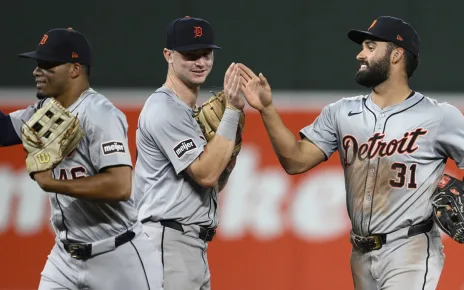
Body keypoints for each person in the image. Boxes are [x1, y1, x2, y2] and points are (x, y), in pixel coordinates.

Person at [238, 16, 462, 289]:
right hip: (360, 252)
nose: (360, 54)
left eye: (370, 46)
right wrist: (267, 110)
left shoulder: (438, 116)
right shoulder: (341, 112)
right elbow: (295, 161)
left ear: (397, 54)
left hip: (410, 248)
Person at [1, 27, 163, 290]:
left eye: (47, 64)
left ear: (74, 69)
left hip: (118, 256)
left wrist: (53, 184)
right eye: (37, 64)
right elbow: (3, 131)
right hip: (65, 258)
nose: (36, 71)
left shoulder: (100, 114)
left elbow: (120, 185)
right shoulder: (45, 109)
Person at [133, 16, 244, 290]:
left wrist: (230, 152)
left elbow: (215, 182)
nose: (200, 62)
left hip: (188, 244)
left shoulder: (188, 112)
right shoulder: (164, 108)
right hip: (166, 242)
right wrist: (231, 112)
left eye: (206, 54)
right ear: (168, 55)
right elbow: (205, 174)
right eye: (190, 55)